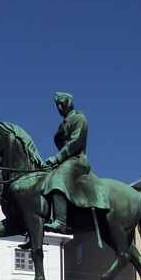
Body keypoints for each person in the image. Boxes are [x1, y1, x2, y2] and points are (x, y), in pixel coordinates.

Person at [39, 92, 108, 234]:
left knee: (57, 178)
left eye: (61, 103)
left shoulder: (79, 118)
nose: (58, 107)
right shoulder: (63, 123)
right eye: (56, 104)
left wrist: (57, 158)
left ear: (70, 103)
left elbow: (76, 141)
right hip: (65, 161)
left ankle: (60, 221)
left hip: (77, 160)